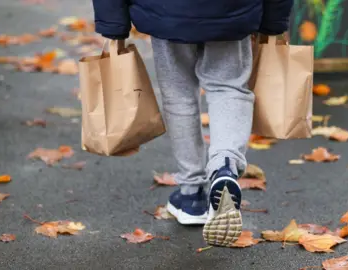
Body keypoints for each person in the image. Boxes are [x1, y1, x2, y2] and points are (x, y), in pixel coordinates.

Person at [92, 0, 293, 246]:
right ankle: (224, 166)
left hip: (166, 10)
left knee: (178, 95)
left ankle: (191, 194)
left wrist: (113, 24)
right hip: (231, 10)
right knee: (229, 87)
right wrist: (274, 20)